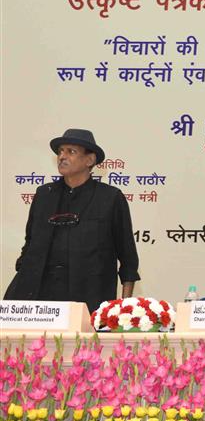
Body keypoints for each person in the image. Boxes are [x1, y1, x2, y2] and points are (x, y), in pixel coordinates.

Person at [5, 128, 139, 313]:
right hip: (38, 298)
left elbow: (128, 258)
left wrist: (125, 309)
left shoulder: (110, 198)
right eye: (60, 151)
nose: (62, 156)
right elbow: (30, 243)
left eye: (71, 151)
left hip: (88, 299)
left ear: (89, 160)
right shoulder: (44, 194)